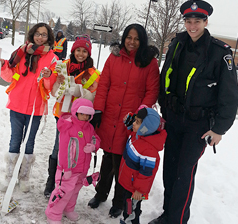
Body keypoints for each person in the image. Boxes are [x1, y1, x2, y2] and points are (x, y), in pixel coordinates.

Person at [148, 0, 238, 224]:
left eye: (197, 21)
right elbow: (165, 75)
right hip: (173, 119)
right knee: (170, 170)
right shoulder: (177, 44)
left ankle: (176, 220)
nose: (192, 26)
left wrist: (219, 129)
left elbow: (230, 95)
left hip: (198, 126)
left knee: (184, 173)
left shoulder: (220, 52)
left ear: (206, 21)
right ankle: (167, 214)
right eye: (188, 21)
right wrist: (163, 104)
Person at [88, 23, 160, 218]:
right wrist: (98, 110)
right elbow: (104, 85)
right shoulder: (114, 57)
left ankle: (119, 202)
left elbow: (152, 91)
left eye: (137, 38)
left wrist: (139, 117)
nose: (132, 42)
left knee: (124, 164)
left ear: (142, 40)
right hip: (110, 115)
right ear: (124, 38)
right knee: (107, 159)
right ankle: (100, 193)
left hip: (130, 121)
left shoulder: (149, 63)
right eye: (129, 37)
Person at [0, 23, 57, 192]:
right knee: (15, 139)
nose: (40, 37)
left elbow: (50, 87)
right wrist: (3, 66)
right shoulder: (21, 52)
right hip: (17, 103)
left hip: (35, 108)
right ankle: (9, 176)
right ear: (32, 34)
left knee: (29, 143)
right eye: (37, 33)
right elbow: (10, 76)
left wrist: (48, 76)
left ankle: (24, 177)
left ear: (49, 38)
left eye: (44, 35)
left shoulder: (52, 59)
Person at [44, 35, 100, 197]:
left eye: (84, 51)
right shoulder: (62, 66)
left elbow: (93, 97)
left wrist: (78, 91)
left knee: (73, 152)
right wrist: (59, 83)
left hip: (80, 119)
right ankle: (52, 181)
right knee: (58, 149)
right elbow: (54, 93)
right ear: (73, 50)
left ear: (88, 53)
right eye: (78, 50)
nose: (80, 54)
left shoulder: (93, 74)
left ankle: (67, 183)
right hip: (62, 115)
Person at [45, 98, 101, 224]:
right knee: (63, 192)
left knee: (74, 191)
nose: (85, 117)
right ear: (76, 112)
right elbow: (64, 150)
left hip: (82, 168)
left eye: (88, 114)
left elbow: (95, 138)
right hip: (68, 169)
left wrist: (94, 145)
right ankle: (53, 214)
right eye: (82, 113)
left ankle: (68, 209)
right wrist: (66, 169)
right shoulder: (68, 127)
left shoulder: (89, 128)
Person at [119, 107, 167, 224]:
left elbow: (146, 173)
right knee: (127, 207)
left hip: (135, 188)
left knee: (132, 210)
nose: (134, 124)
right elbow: (131, 135)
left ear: (146, 128)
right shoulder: (138, 136)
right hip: (129, 183)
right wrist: (130, 124)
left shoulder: (149, 150)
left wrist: (139, 190)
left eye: (137, 122)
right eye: (135, 121)